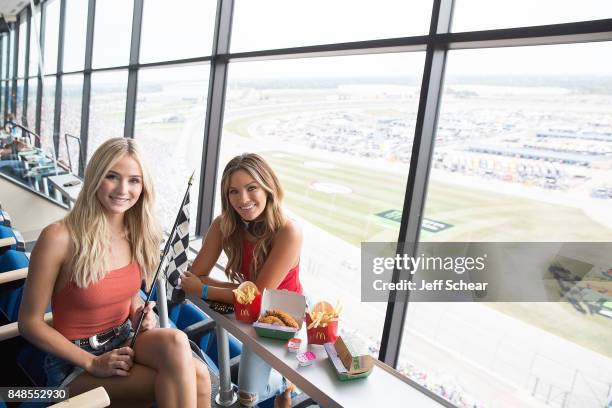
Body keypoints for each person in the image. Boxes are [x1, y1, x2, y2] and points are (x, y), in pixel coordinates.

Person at [18, 137, 211, 407]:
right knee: (193, 376)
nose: (123, 189)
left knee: (184, 350)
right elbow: (29, 323)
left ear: (143, 187)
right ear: (96, 177)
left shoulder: (139, 233)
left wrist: (139, 312)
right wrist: (92, 362)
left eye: (134, 180)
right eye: (112, 176)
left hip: (125, 340)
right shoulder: (58, 237)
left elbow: (125, 294)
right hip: (75, 363)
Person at [181, 153, 302, 407]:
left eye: (251, 188)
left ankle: (286, 382)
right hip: (251, 309)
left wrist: (204, 290)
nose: (242, 199)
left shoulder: (289, 232)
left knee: (248, 396)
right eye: (233, 191)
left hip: (283, 314)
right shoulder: (224, 224)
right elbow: (197, 275)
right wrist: (234, 290)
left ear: (268, 187)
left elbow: (256, 296)